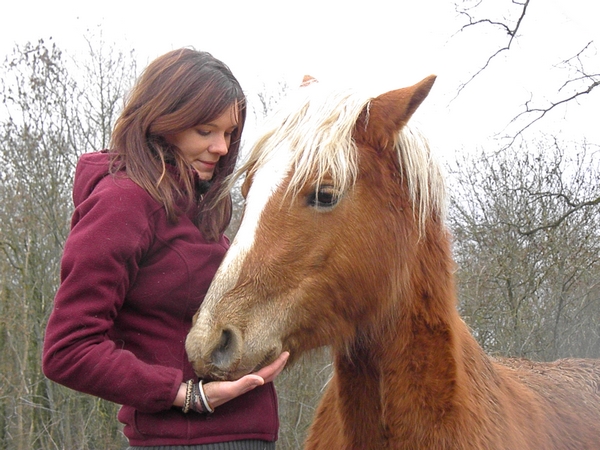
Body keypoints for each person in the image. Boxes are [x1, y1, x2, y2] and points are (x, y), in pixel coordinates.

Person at [42, 48, 289, 450]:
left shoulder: (198, 207)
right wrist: (187, 395)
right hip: (181, 442)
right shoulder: (124, 202)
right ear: (161, 124)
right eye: (205, 131)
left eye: (229, 133)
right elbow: (68, 349)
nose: (222, 148)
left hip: (248, 435)